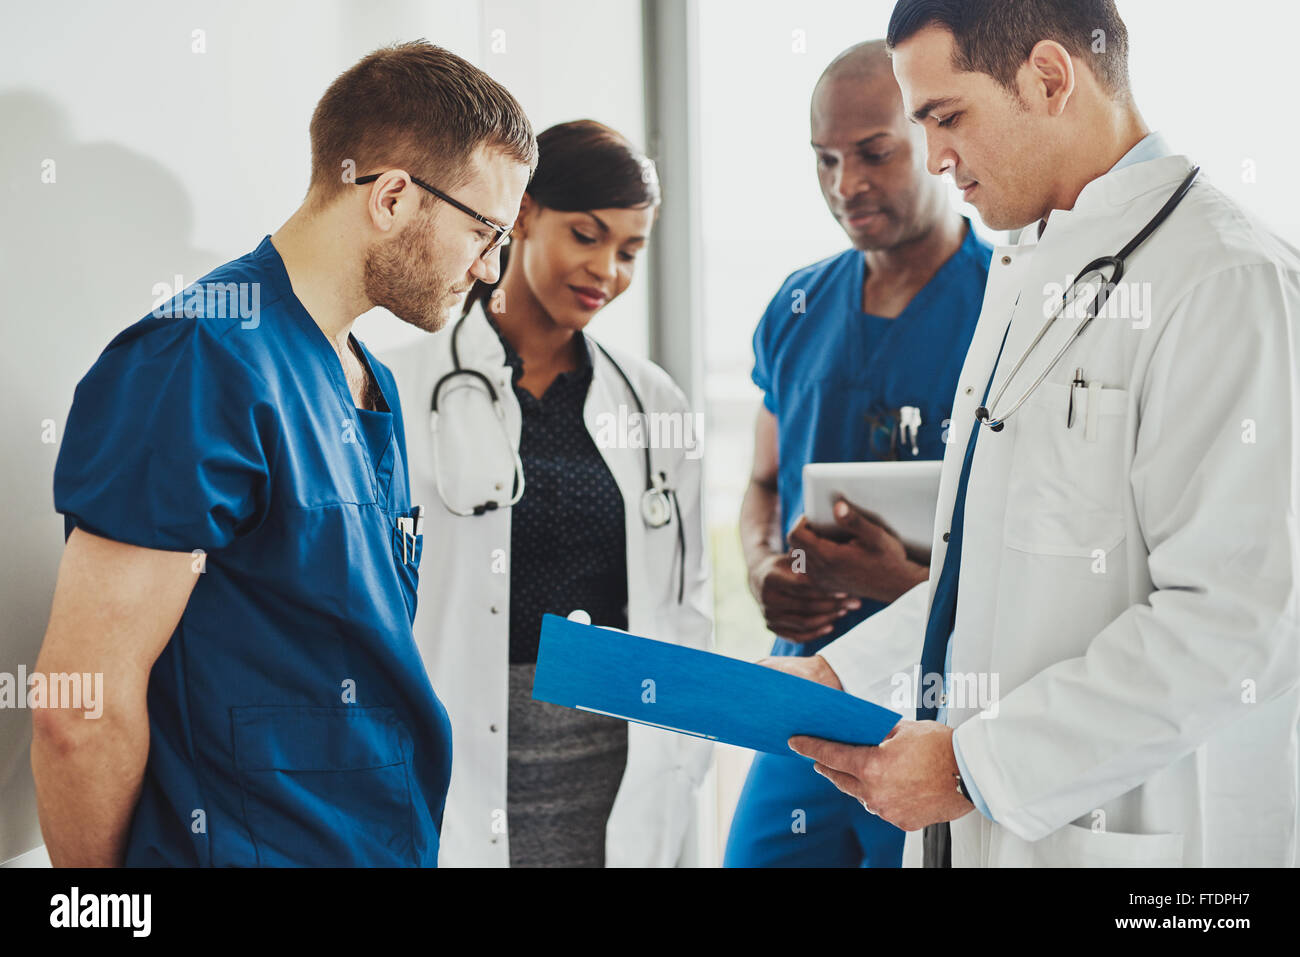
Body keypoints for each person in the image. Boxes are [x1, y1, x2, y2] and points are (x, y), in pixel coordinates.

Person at [781, 0, 1300, 867]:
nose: (935, 155)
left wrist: (975, 767)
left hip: (1145, 850)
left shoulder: (1227, 281)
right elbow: (983, 574)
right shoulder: (1027, 264)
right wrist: (842, 673)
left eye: (947, 116)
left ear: (1051, 77)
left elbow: (1238, 622)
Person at [31, 42, 536, 866]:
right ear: (395, 196)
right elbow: (76, 707)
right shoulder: (198, 362)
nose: (490, 269)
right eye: (485, 231)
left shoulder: (367, 379)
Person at [381, 120, 712, 868]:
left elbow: (684, 611)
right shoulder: (398, 384)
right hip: (455, 762)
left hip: (613, 769)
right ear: (522, 213)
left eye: (629, 251)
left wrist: (682, 766)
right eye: (586, 236)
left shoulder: (653, 404)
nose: (607, 270)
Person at [726, 41, 992, 868]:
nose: (847, 184)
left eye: (874, 152)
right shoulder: (796, 306)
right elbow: (763, 485)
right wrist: (766, 567)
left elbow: (1035, 563)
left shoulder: (1008, 310)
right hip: (802, 694)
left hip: (934, 715)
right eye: (826, 160)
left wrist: (904, 585)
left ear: (933, 141)